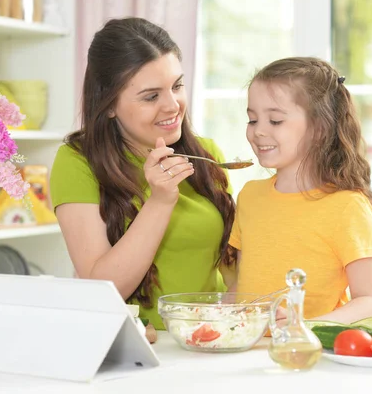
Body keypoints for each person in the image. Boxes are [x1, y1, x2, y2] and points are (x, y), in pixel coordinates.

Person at [50, 17, 236, 329]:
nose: (172, 105)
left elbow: (234, 271)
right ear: (108, 104)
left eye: (177, 86)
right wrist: (160, 202)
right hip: (138, 344)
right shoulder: (77, 162)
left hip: (209, 338)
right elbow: (104, 290)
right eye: (151, 96)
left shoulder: (207, 156)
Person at [228, 57, 372, 324]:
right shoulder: (250, 196)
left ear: (320, 128)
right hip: (249, 350)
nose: (258, 132)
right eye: (252, 120)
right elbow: (244, 288)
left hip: (310, 356)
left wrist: (306, 328)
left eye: (275, 121)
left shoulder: (347, 206)